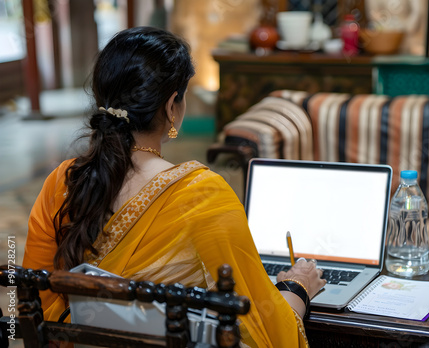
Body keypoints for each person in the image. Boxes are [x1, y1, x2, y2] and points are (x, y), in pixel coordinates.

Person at [22, 26, 326, 347]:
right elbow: (262, 323)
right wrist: (296, 287)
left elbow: (37, 296)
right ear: (171, 106)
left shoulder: (62, 181)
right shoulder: (202, 194)